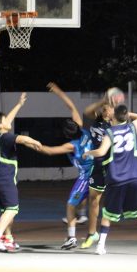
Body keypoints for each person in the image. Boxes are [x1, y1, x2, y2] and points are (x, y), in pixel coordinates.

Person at [83, 104, 137, 256]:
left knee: (108, 214)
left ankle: (100, 246)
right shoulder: (133, 127)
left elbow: (101, 151)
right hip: (135, 177)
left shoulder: (110, 132)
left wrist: (88, 152)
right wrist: (125, 113)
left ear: (113, 117)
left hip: (117, 177)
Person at [36, 82, 94, 250]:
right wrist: (58, 90)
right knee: (83, 197)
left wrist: (31, 143)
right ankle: (82, 215)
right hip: (96, 172)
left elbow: (50, 151)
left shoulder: (72, 145)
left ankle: (71, 237)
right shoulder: (84, 130)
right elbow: (71, 106)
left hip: (86, 176)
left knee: (70, 205)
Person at [0, 93, 42, 252]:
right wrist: (35, 142)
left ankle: (8, 238)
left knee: (6, 210)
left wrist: (19, 105)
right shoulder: (6, 137)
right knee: (12, 209)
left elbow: (7, 120)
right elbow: (22, 139)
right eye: (5, 120)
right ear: (1, 125)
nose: (8, 120)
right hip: (5, 178)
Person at [80, 95, 114, 249]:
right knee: (94, 200)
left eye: (108, 107)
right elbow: (87, 111)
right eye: (104, 107)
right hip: (97, 165)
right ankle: (92, 233)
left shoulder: (115, 125)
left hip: (111, 165)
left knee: (113, 203)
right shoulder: (96, 120)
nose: (105, 109)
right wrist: (102, 101)